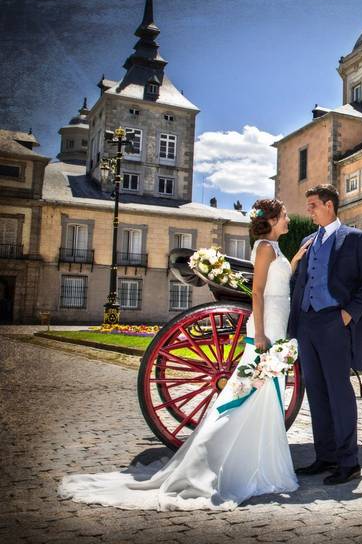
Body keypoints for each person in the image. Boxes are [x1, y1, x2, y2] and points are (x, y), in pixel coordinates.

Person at [59, 199, 302, 510]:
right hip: (267, 328)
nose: (288, 220)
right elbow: (256, 292)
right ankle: (216, 456)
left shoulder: (274, 248)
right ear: (271, 220)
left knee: (266, 394)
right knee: (246, 394)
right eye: (283, 216)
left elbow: (278, 283)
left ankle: (262, 457)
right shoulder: (266, 248)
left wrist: (293, 261)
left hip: (276, 322)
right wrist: (261, 333)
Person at [288, 184, 362, 485]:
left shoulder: (355, 238)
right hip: (307, 324)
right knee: (315, 392)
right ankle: (325, 457)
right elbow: (300, 282)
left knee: (339, 393)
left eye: (313, 204)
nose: (309, 210)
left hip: (334, 323)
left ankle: (349, 462)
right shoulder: (307, 240)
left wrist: (348, 314)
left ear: (329, 205)